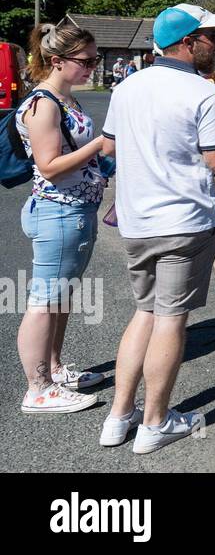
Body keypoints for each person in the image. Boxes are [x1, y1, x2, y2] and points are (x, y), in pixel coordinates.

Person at [99, 3, 215, 453]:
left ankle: (117, 417)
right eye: (212, 37)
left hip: (136, 220)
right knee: (170, 319)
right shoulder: (202, 93)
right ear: (189, 43)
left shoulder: (127, 87)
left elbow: (108, 147)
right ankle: (154, 423)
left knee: (145, 312)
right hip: (183, 220)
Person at [15, 23, 109, 414]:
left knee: (61, 296)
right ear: (57, 61)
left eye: (96, 59)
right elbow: (49, 166)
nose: (93, 67)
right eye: (86, 61)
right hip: (59, 211)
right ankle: (37, 389)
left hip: (74, 210)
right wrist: (99, 145)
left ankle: (53, 371)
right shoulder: (44, 104)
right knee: (43, 300)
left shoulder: (65, 99)